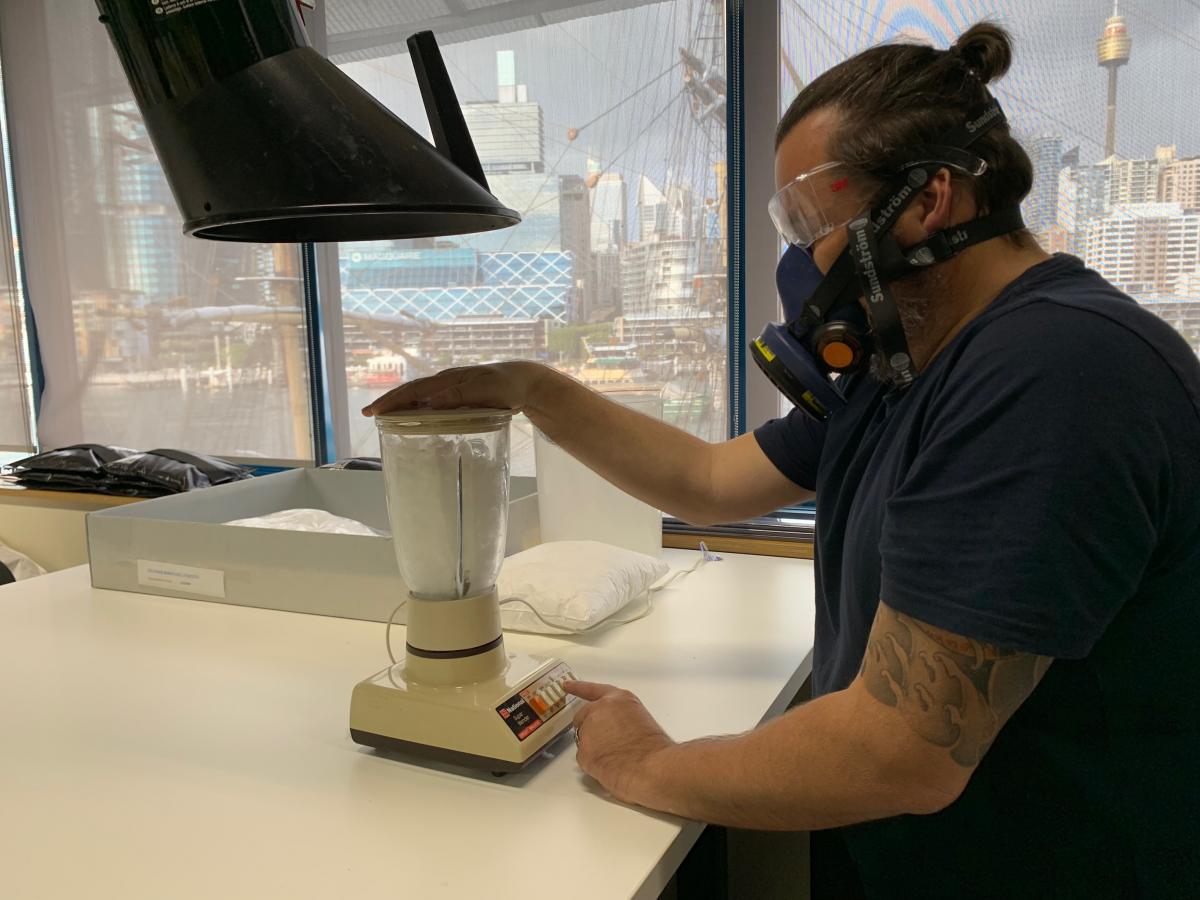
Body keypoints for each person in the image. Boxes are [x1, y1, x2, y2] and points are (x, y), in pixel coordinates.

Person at [364, 23, 1200, 899]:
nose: (802, 262)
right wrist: (530, 388)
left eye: (813, 222)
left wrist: (649, 765)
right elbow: (712, 482)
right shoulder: (909, 358)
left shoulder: (1053, 372)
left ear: (929, 202)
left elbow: (903, 751)